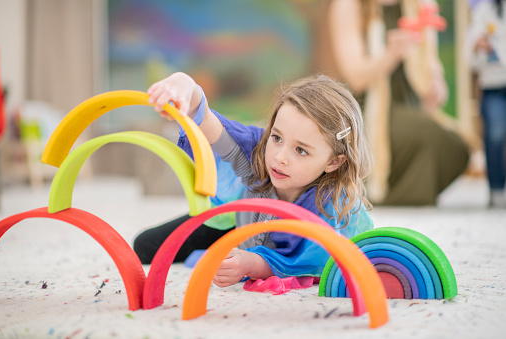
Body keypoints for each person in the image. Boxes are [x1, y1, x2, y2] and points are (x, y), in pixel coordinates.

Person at [134, 72, 374, 288]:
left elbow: (304, 264)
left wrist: (250, 263)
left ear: (334, 162)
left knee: (233, 259)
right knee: (145, 246)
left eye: (301, 150)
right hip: (239, 225)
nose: (279, 157)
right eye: (277, 138)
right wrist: (185, 87)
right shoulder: (258, 151)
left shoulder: (334, 210)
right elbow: (205, 121)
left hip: (269, 248)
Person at [327, 0, 470, 205]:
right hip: (369, 113)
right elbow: (356, 78)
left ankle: (397, 195)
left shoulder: (418, 4)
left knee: (459, 147)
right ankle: (383, 195)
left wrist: (436, 86)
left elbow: (431, 68)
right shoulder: (348, 5)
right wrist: (391, 54)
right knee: (429, 135)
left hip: (411, 105)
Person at [466, 0, 506, 208]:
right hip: (493, 83)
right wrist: (477, 48)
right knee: (495, 134)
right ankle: (497, 189)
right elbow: (469, 58)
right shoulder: (483, 11)